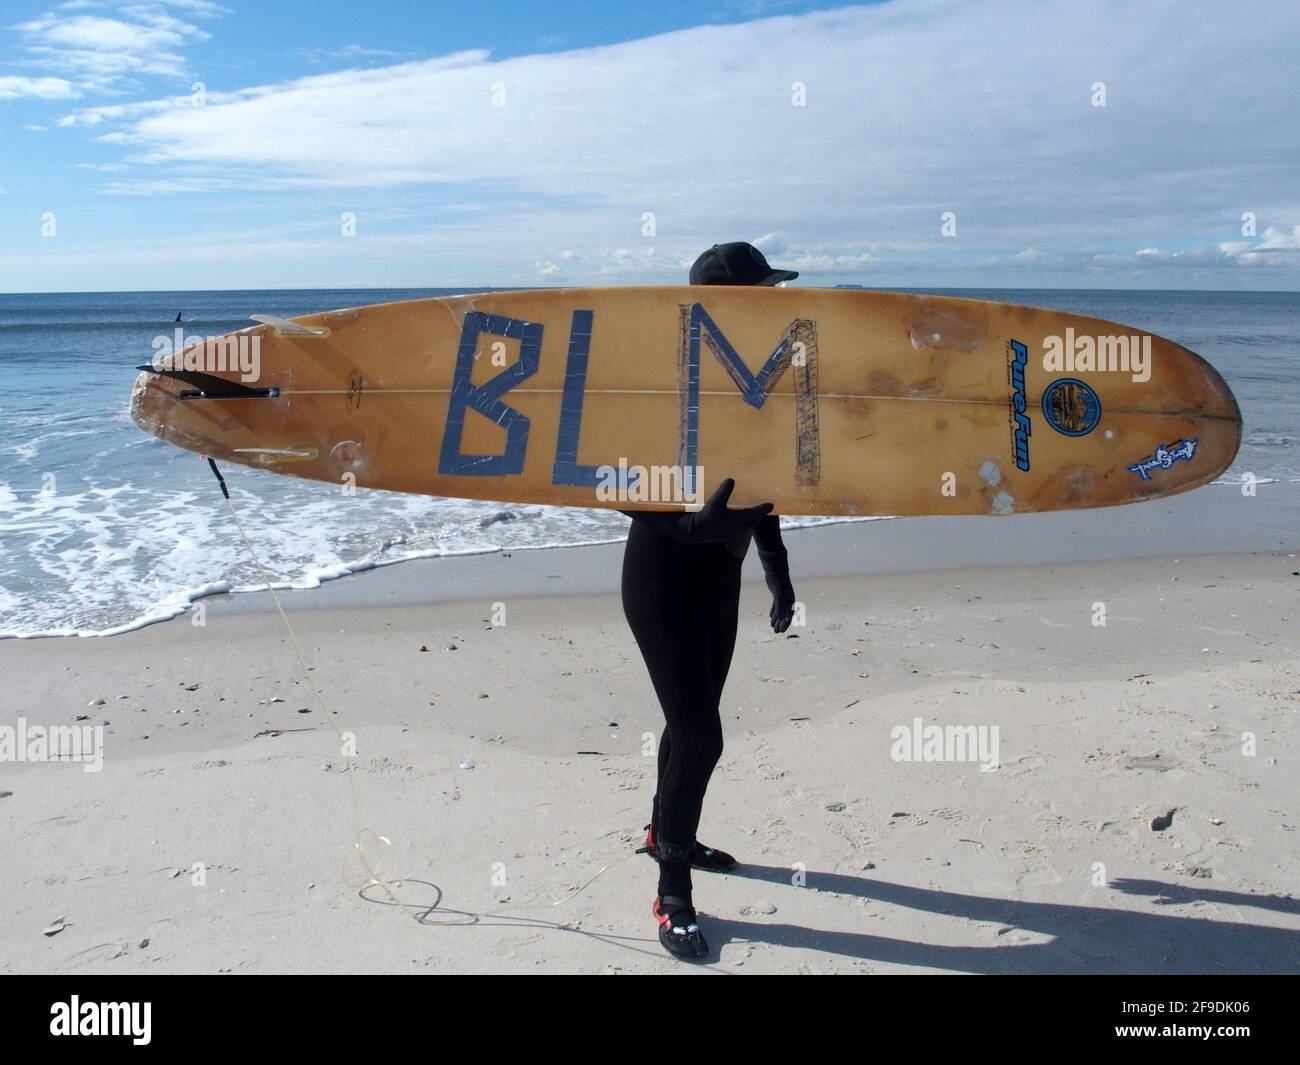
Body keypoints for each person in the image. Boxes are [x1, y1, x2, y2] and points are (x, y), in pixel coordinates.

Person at [621, 242, 800, 961]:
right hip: (662, 576)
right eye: (760, 291)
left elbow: (762, 489)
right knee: (702, 733)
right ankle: (672, 893)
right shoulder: (669, 377)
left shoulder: (759, 383)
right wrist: (692, 524)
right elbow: (613, 473)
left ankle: (666, 830)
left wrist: (777, 569)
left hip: (717, 580)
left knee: (685, 721)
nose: (773, 300)